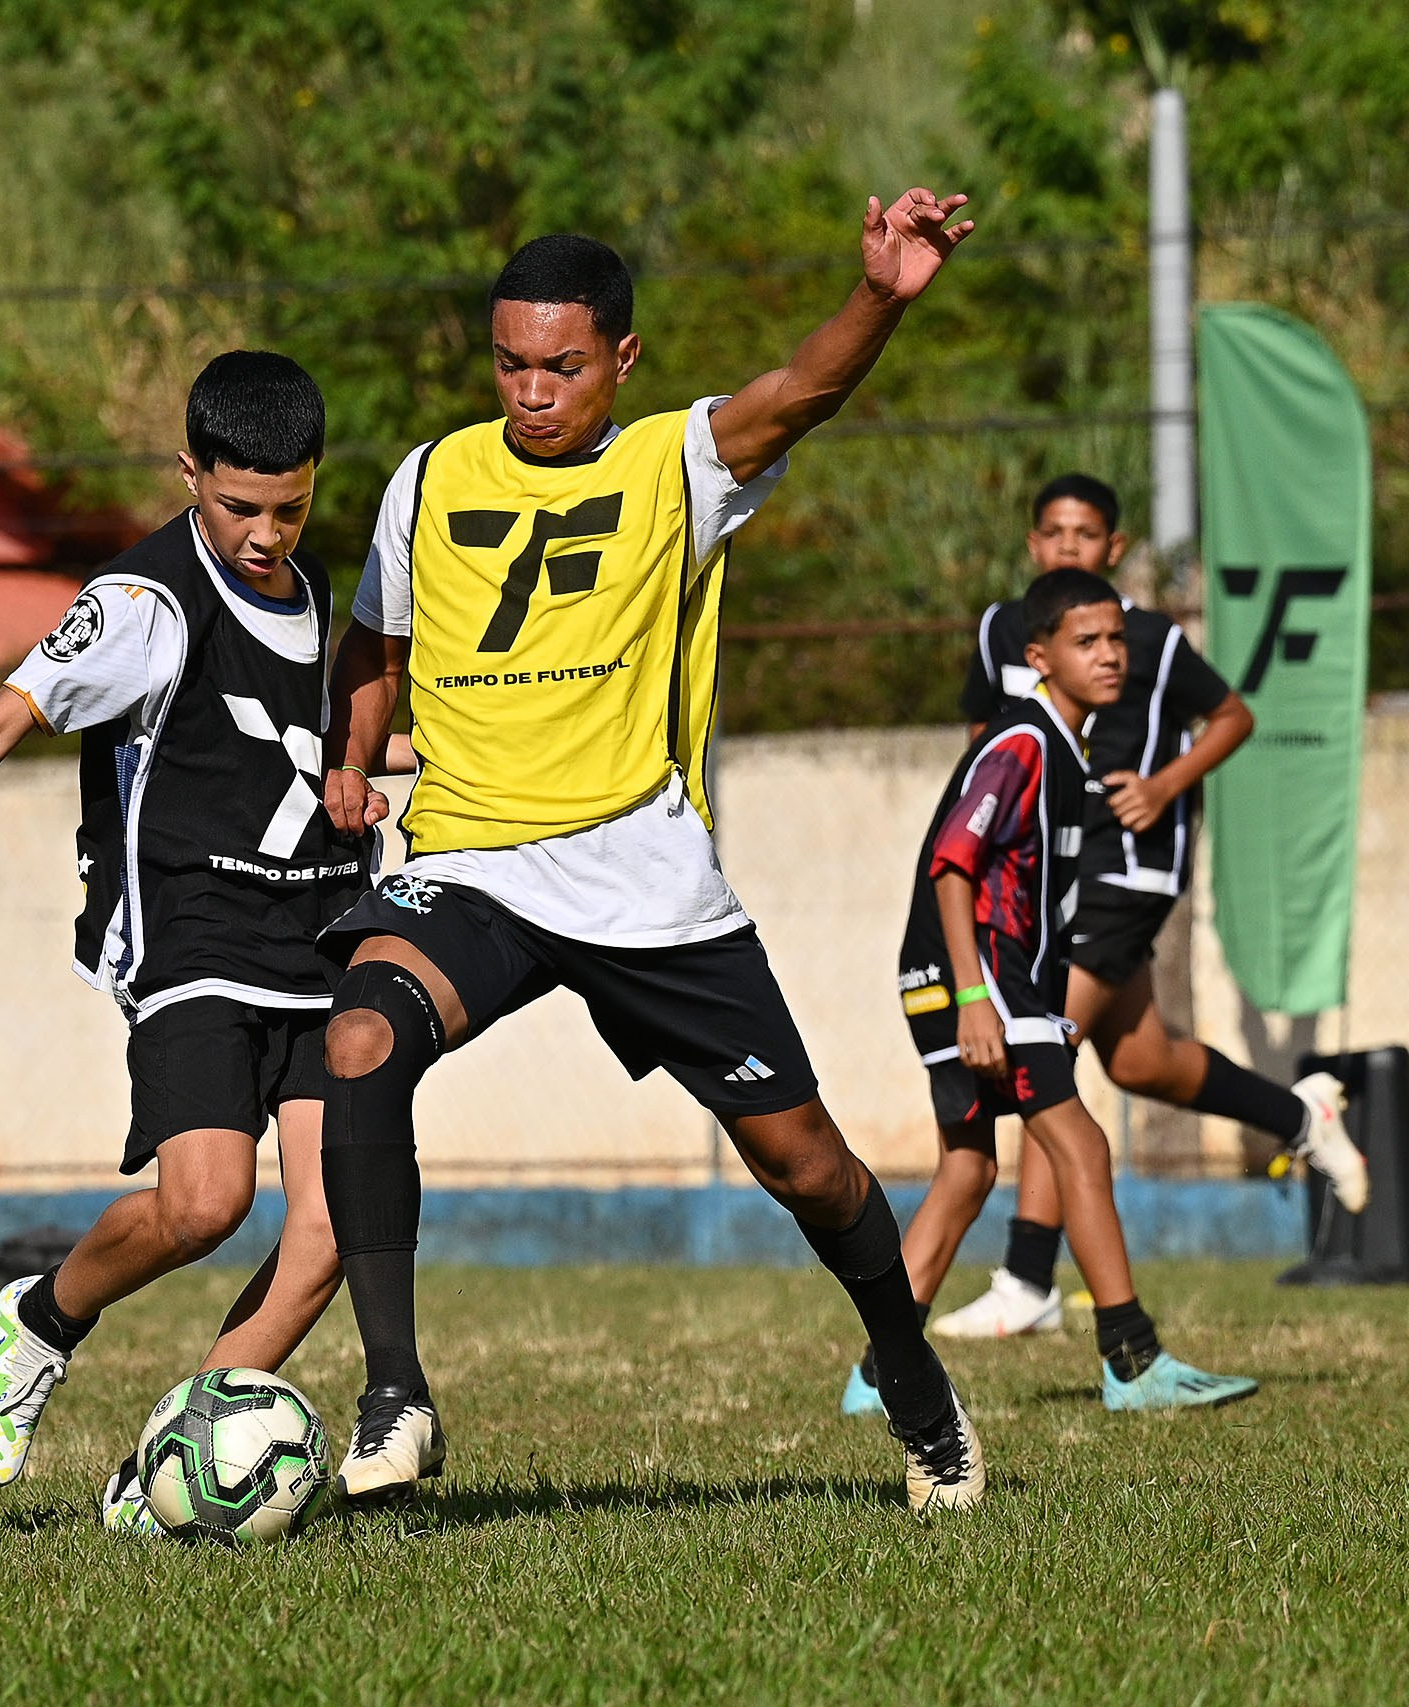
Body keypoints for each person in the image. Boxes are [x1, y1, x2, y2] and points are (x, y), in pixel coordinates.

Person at [316, 190, 990, 1516]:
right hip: (473, 862)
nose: (531, 389)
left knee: (807, 1163)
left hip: (641, 870)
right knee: (360, 1038)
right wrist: (351, 752)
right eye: (510, 361)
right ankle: (394, 1389)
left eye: (560, 365)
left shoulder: (678, 463)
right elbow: (376, 651)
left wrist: (884, 296)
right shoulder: (431, 474)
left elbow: (801, 388)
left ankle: (916, 1385)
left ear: (622, 359)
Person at [0, 351, 370, 1531]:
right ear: (189, 472)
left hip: (319, 938)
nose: (265, 532)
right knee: (204, 1206)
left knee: (329, 1229)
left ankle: (180, 1471)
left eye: (290, 507)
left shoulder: (317, 602)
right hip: (191, 934)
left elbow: (312, 757)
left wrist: (378, 776)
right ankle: (42, 1318)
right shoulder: (139, 609)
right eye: (239, 505)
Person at [881, 473, 1365, 1350]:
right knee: (1145, 1061)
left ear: (1115, 547)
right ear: (1034, 547)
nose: (1070, 546)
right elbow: (976, 771)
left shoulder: (1149, 638)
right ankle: (1301, 1117)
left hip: (1125, 876)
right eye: (1055, 532)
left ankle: (1029, 1278)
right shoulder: (1008, 651)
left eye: (1087, 534)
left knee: (1046, 1071)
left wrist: (1165, 786)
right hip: (1044, 885)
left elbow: (1231, 715)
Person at [879, 568, 1262, 1410]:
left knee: (970, 1170)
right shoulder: (1023, 741)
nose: (1110, 656)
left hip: (976, 980)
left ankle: (881, 1376)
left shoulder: (1064, 743)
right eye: (1086, 643)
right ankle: (1132, 1360)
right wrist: (974, 997)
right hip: (979, 980)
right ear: (1038, 655)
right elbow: (952, 860)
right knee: (1081, 1147)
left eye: (1117, 639)